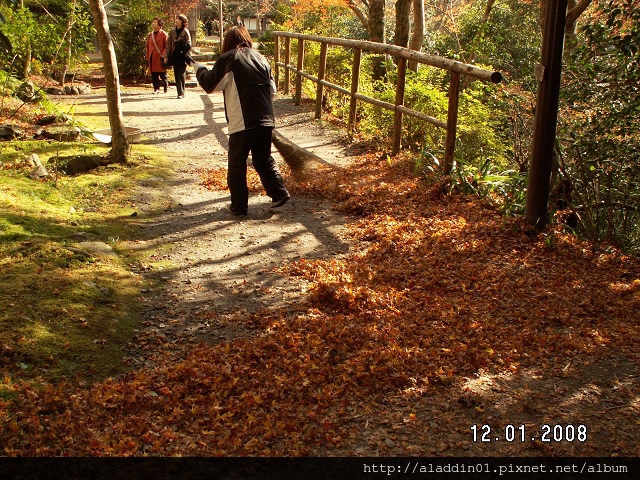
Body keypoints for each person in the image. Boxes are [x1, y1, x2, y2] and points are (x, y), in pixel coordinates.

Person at [192, 25, 290, 216]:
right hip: (266, 118)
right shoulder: (261, 59)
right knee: (263, 158)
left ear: (228, 42)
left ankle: (239, 206)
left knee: (236, 163)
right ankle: (279, 192)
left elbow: (210, 84)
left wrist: (199, 69)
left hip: (242, 119)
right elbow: (273, 91)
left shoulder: (229, 58)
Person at [166, 14, 191, 99]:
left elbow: (189, 44)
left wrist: (183, 49)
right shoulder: (172, 31)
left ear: (183, 22)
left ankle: (182, 92)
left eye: (179, 19)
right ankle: (179, 92)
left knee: (181, 73)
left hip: (183, 55)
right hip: (175, 55)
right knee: (176, 73)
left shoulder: (185, 31)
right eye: (176, 19)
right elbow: (169, 44)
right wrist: (167, 56)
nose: (177, 21)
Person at [146, 17, 169, 94]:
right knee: (154, 74)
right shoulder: (150, 35)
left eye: (155, 22)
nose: (153, 23)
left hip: (160, 57)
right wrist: (147, 57)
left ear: (160, 25)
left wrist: (164, 54)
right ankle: (156, 89)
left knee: (162, 73)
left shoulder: (163, 34)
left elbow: (167, 46)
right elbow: (148, 47)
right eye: (153, 22)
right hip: (152, 57)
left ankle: (165, 85)